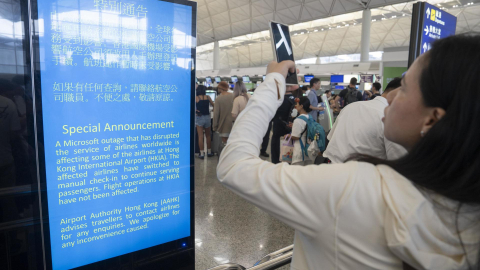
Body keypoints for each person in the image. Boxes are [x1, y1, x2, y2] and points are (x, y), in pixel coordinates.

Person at [217, 34, 480, 270]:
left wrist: (272, 84)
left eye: (406, 88)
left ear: (432, 120)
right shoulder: (467, 216)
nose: (391, 96)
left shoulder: (356, 189)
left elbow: (234, 165)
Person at [323, 77, 406, 164]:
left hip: (330, 168)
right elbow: (398, 162)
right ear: (400, 93)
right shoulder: (391, 118)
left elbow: (330, 138)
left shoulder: (350, 107)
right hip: (362, 174)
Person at [270, 86, 297, 164]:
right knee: (288, 151)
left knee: (277, 152)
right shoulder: (295, 99)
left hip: (278, 129)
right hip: (291, 129)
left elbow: (271, 115)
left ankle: (277, 167)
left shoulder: (278, 100)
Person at [290, 96, 313, 166]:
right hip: (309, 151)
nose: (295, 106)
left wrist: (288, 136)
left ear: (301, 106)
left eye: (297, 104)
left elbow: (295, 136)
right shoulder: (310, 117)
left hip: (299, 152)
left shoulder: (298, 120)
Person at [195, 85, 214, 159]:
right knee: (208, 135)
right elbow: (213, 105)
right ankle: (209, 152)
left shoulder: (196, 98)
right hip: (207, 117)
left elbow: (191, 107)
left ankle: (202, 153)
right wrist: (211, 110)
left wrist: (196, 111)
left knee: (200, 136)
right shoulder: (208, 97)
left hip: (199, 117)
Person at [213, 81, 234, 146]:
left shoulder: (218, 99)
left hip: (223, 126)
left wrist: (214, 126)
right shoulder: (233, 96)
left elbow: (216, 114)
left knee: (225, 144)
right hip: (234, 125)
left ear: (220, 88)